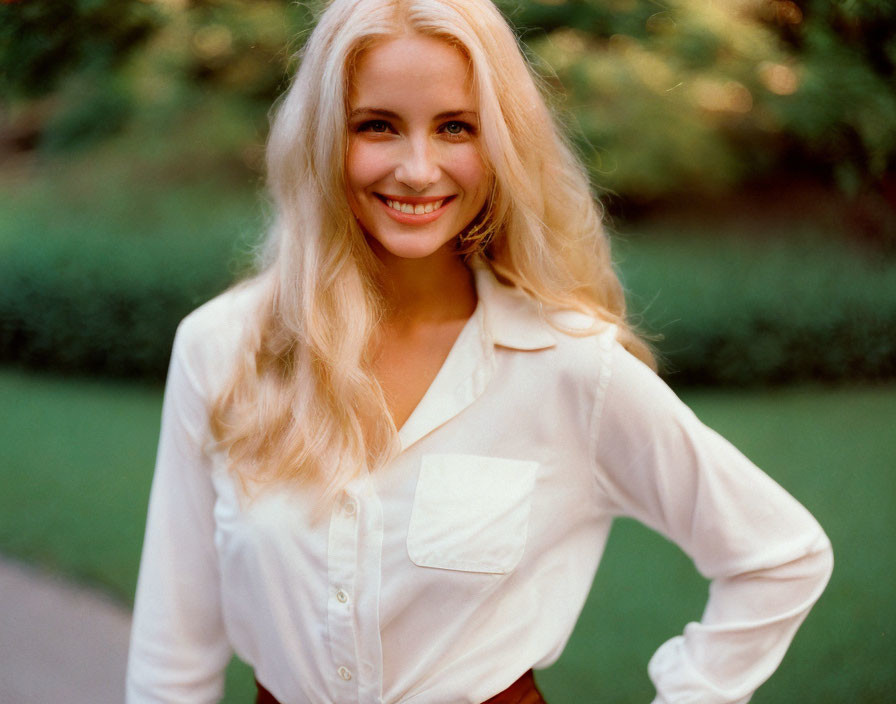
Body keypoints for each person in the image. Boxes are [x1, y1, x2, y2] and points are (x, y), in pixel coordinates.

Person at [125, 0, 834, 702]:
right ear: (320, 138)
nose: (418, 169)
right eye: (377, 126)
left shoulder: (569, 368)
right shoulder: (220, 349)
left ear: (500, 142)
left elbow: (780, 558)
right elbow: (171, 656)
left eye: (456, 127)